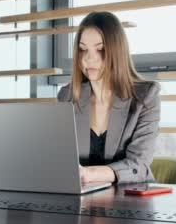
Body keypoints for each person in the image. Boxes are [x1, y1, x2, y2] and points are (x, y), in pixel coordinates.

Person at [57, 11, 161, 185]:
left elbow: (139, 164)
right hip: (80, 198)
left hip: (129, 200)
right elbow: (59, 157)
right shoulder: (67, 96)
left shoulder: (145, 97)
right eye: (83, 49)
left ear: (116, 51)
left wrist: (91, 174)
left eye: (100, 49)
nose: (89, 58)